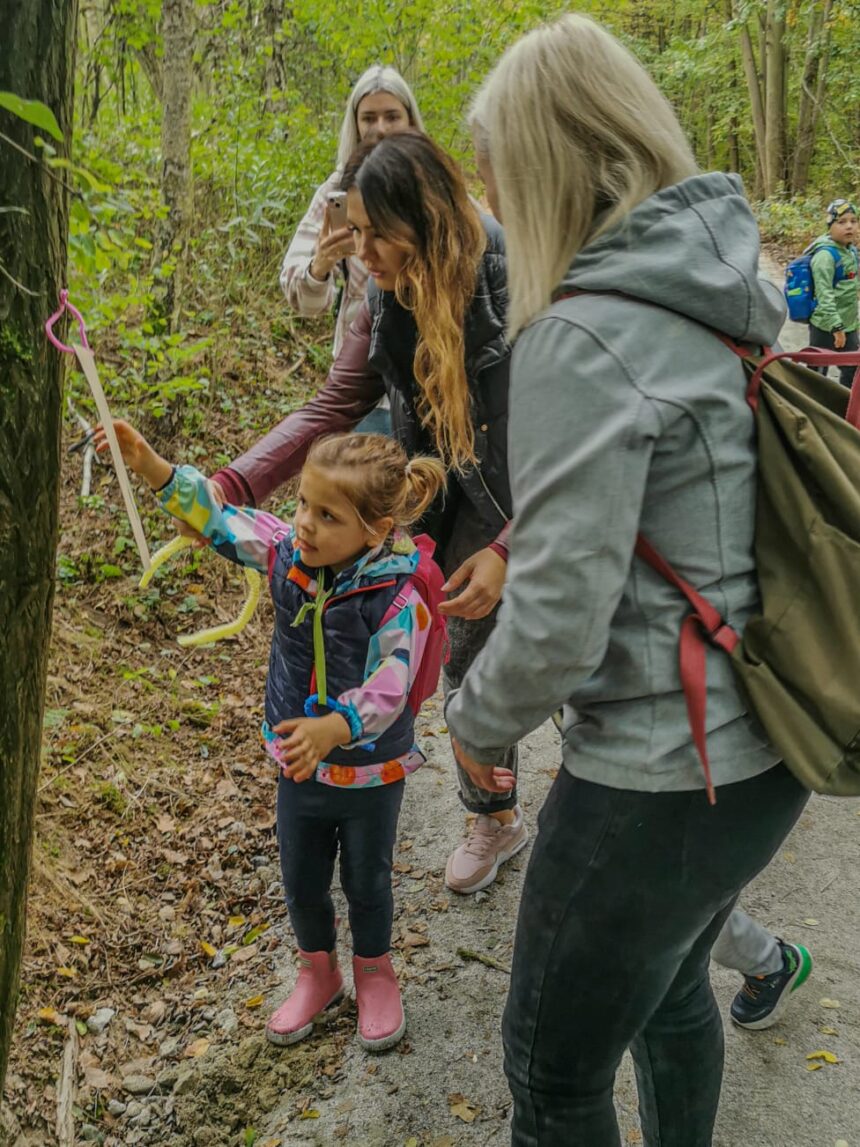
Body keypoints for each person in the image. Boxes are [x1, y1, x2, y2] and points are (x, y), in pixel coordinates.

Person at [445, 14, 810, 1146]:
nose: (489, 194)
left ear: (544, 163)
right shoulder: (720, 290)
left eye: (496, 165)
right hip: (762, 753)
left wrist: (474, 724)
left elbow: (557, 614)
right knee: (664, 998)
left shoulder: (578, 334)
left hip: (656, 779)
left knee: (548, 1073)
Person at [210, 130, 529, 897]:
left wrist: (514, 547)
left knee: (548, 657)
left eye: (376, 232)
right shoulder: (386, 299)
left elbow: (577, 442)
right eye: (355, 231)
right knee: (463, 657)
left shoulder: (513, 280)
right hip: (438, 494)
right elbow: (332, 404)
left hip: (527, 493)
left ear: (427, 221)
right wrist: (232, 484)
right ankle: (497, 809)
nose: (363, 251)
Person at [95, 422, 446, 1052]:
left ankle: (374, 971)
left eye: (327, 515)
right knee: (302, 878)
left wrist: (337, 725)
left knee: (368, 880)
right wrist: (151, 466)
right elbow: (224, 520)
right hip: (298, 766)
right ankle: (319, 971)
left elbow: (393, 684)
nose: (305, 523)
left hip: (369, 774)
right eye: (304, 504)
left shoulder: (397, 594)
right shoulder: (288, 551)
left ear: (372, 530)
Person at [280, 65, 425, 433]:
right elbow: (303, 300)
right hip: (362, 381)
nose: (380, 128)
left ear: (410, 119)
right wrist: (323, 262)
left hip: (431, 374)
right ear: (355, 124)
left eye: (392, 116)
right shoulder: (338, 191)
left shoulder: (433, 183)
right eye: (368, 118)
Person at [807, 198, 860, 388]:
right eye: (842, 221)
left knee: (853, 370)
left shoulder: (851, 251)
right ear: (830, 225)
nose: (849, 226)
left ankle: (846, 411)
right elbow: (824, 294)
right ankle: (813, 410)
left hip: (849, 324)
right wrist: (836, 327)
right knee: (818, 374)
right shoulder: (825, 256)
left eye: (853, 221)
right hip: (825, 325)